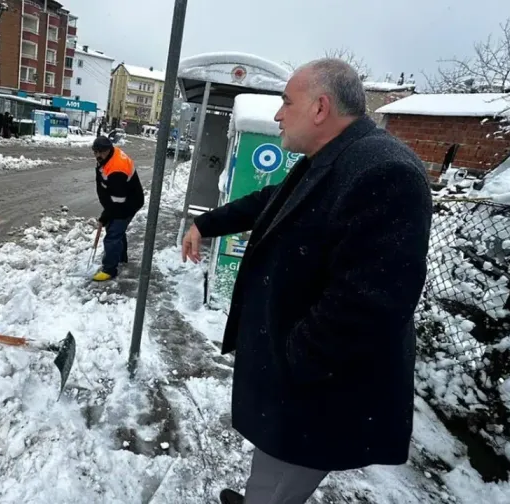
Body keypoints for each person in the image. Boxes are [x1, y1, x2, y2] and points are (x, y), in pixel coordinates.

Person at [181, 59, 433, 504]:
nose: (278, 114)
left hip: (318, 386)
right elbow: (270, 200)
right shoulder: (332, 158)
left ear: (320, 108)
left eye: (286, 102)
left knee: (285, 481)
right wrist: (206, 224)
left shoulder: (384, 171)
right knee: (271, 459)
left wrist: (293, 361)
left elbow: (371, 302)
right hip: (297, 377)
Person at [91, 136, 144, 282]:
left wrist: (105, 215)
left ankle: (109, 270)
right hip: (120, 199)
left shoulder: (117, 169)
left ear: (109, 149)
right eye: (95, 151)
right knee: (116, 230)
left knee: (113, 234)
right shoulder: (109, 156)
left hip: (128, 203)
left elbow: (117, 202)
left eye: (101, 152)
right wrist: (107, 211)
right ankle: (121, 258)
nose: (97, 155)